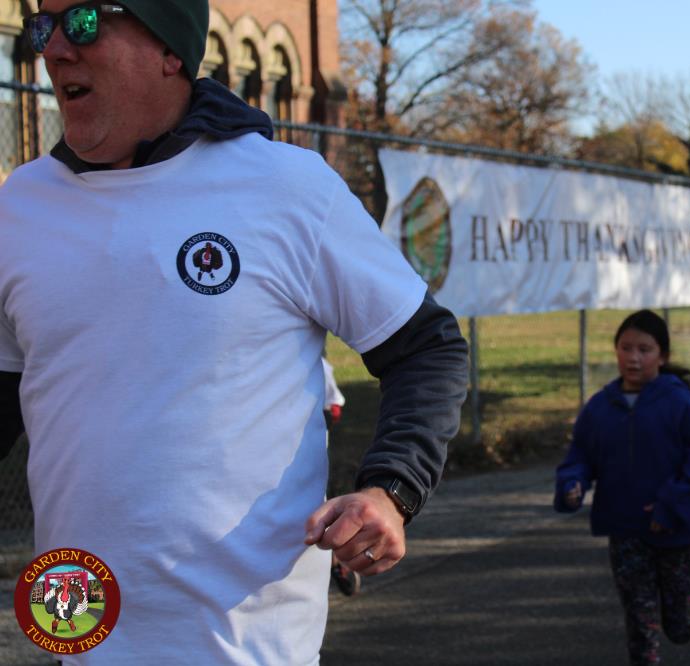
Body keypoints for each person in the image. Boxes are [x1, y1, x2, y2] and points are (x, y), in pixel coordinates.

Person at [0, 1, 468, 663]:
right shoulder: (21, 206)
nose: (52, 49)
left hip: (244, 641)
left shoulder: (285, 186)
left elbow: (426, 348)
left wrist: (389, 490)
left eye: (82, 23)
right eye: (43, 27)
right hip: (77, 627)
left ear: (170, 48)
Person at [554, 309, 690, 665]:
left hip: (679, 533)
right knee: (640, 622)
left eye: (644, 350)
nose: (633, 358)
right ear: (616, 350)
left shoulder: (679, 403)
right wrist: (573, 483)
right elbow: (580, 456)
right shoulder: (600, 408)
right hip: (626, 532)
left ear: (662, 356)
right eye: (626, 348)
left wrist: (671, 506)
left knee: (678, 627)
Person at [321, 357, 360, 597]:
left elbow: (334, 405)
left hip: (307, 452)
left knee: (320, 503)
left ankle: (336, 561)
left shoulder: (314, 363)